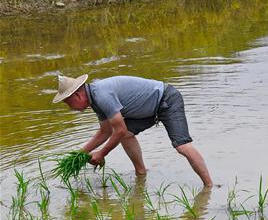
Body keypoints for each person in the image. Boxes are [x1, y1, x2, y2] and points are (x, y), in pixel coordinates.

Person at [52, 74, 213, 188]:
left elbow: (119, 130)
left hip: (167, 99)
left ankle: (209, 185)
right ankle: (141, 172)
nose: (70, 108)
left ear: (78, 95)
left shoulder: (102, 96)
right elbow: (105, 131)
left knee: (182, 146)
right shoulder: (95, 100)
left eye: (68, 103)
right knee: (127, 135)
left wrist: (101, 153)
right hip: (149, 110)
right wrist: (79, 154)